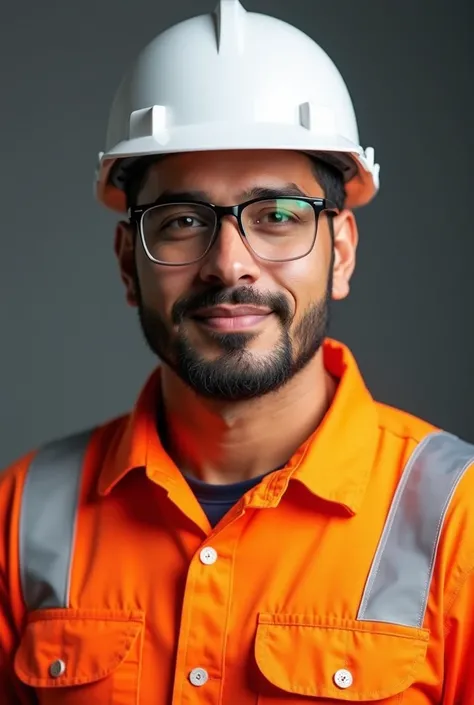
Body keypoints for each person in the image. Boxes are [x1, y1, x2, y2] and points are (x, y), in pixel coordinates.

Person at [1, 1, 473, 703]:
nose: (230, 264)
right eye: (184, 220)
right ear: (129, 262)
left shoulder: (459, 520)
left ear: (340, 252)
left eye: (278, 217)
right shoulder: (22, 512)